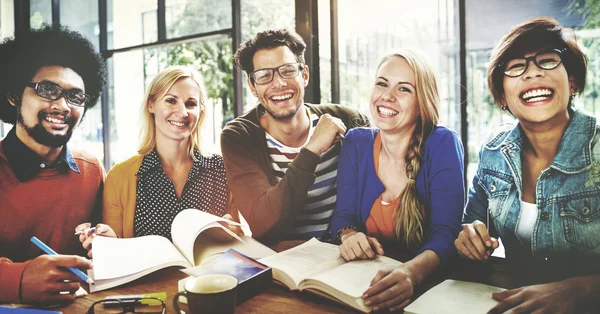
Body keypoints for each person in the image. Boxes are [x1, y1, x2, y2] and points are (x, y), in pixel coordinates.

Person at [455, 17, 600, 313]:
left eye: (547, 61)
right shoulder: (493, 151)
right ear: (503, 94)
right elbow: (471, 223)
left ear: (571, 81)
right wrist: (469, 236)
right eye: (516, 66)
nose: (532, 73)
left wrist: (580, 291)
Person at [330, 49, 465, 312]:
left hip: (428, 291)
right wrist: (349, 235)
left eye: (404, 89)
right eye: (382, 83)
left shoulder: (443, 143)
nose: (387, 96)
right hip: (362, 285)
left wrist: (410, 274)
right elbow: (343, 215)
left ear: (422, 103)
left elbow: (446, 235)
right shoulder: (356, 142)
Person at [221, 29, 370, 242]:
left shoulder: (348, 120)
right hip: (284, 265)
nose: (279, 83)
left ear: (305, 75)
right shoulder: (239, 137)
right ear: (252, 87)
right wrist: (312, 149)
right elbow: (262, 223)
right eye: (264, 75)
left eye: (288, 71)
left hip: (345, 254)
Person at [77, 66, 240, 255]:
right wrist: (107, 243)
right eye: (171, 101)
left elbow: (239, 238)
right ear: (151, 104)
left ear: (200, 111)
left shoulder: (224, 169)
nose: (183, 112)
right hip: (149, 285)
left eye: (191, 103)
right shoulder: (120, 177)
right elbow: (116, 251)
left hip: (213, 282)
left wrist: (231, 232)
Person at [0, 25, 106, 304]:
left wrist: (106, 243)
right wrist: (18, 279)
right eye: (48, 90)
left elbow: (103, 251)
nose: (62, 106)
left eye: (75, 97)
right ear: (13, 95)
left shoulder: (91, 171)